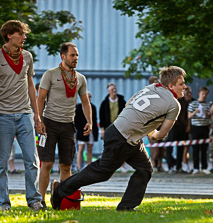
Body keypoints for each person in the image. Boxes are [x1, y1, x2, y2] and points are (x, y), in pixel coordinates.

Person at [50, 66, 186, 211]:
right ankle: (60, 190)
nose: (184, 86)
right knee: (102, 172)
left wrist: (143, 127)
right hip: (123, 137)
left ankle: (126, 207)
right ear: (171, 86)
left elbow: (128, 104)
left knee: (145, 169)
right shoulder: (174, 104)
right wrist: (151, 132)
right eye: (181, 84)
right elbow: (162, 134)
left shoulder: (153, 86)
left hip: (121, 132)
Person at [0, 20, 43, 211]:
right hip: (2, 116)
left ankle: (34, 200)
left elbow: (30, 86)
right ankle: (3, 203)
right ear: (10, 35)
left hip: (25, 115)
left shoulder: (27, 56)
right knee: (1, 164)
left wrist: (37, 115)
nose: (24, 37)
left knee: (32, 161)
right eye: (21, 34)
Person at [37, 42, 92, 210]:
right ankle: (40, 201)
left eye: (77, 55)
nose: (75, 58)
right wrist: (38, 120)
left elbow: (85, 102)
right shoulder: (50, 74)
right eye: (72, 55)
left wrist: (89, 121)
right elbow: (40, 99)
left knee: (66, 165)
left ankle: (61, 200)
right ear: (63, 56)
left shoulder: (80, 78)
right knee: (46, 163)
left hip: (68, 125)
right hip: (49, 124)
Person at [99, 82, 127, 172]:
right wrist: (102, 129)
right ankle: (110, 166)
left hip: (120, 126)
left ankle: (122, 166)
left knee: (121, 146)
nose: (114, 91)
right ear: (108, 91)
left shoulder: (122, 101)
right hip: (109, 127)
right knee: (110, 147)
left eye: (115, 89)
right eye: (112, 90)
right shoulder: (104, 103)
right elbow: (102, 117)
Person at [166, 85, 190, 173]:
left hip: (182, 126)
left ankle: (179, 166)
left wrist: (187, 125)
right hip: (172, 126)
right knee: (169, 146)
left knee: (181, 147)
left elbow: (186, 114)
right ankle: (171, 166)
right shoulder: (171, 99)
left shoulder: (184, 100)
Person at [188, 86, 212, 175]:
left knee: (204, 149)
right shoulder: (193, 104)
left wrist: (205, 113)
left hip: (205, 127)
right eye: (203, 94)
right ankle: (196, 167)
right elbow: (189, 116)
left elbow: (209, 116)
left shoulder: (208, 104)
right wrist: (196, 112)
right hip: (195, 127)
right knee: (195, 149)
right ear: (199, 94)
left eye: (206, 94)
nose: (204, 96)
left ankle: (204, 167)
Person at [74, 92, 98, 171]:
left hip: (91, 131)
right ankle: (79, 167)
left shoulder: (93, 107)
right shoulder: (79, 107)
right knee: (80, 149)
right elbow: (76, 120)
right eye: (88, 96)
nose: (89, 98)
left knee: (90, 149)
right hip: (82, 131)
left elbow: (94, 120)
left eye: (90, 96)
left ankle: (89, 166)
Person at [147, 75, 166, 173]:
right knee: (154, 145)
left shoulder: (161, 95)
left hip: (161, 124)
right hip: (151, 125)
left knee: (161, 146)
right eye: (155, 82)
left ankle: (160, 165)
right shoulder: (147, 95)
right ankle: (153, 164)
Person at [182, 86, 194, 173]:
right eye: (187, 93)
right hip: (184, 128)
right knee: (185, 147)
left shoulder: (194, 101)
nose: (189, 95)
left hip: (194, 127)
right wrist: (187, 126)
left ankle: (192, 165)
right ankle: (184, 164)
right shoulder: (181, 102)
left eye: (190, 93)